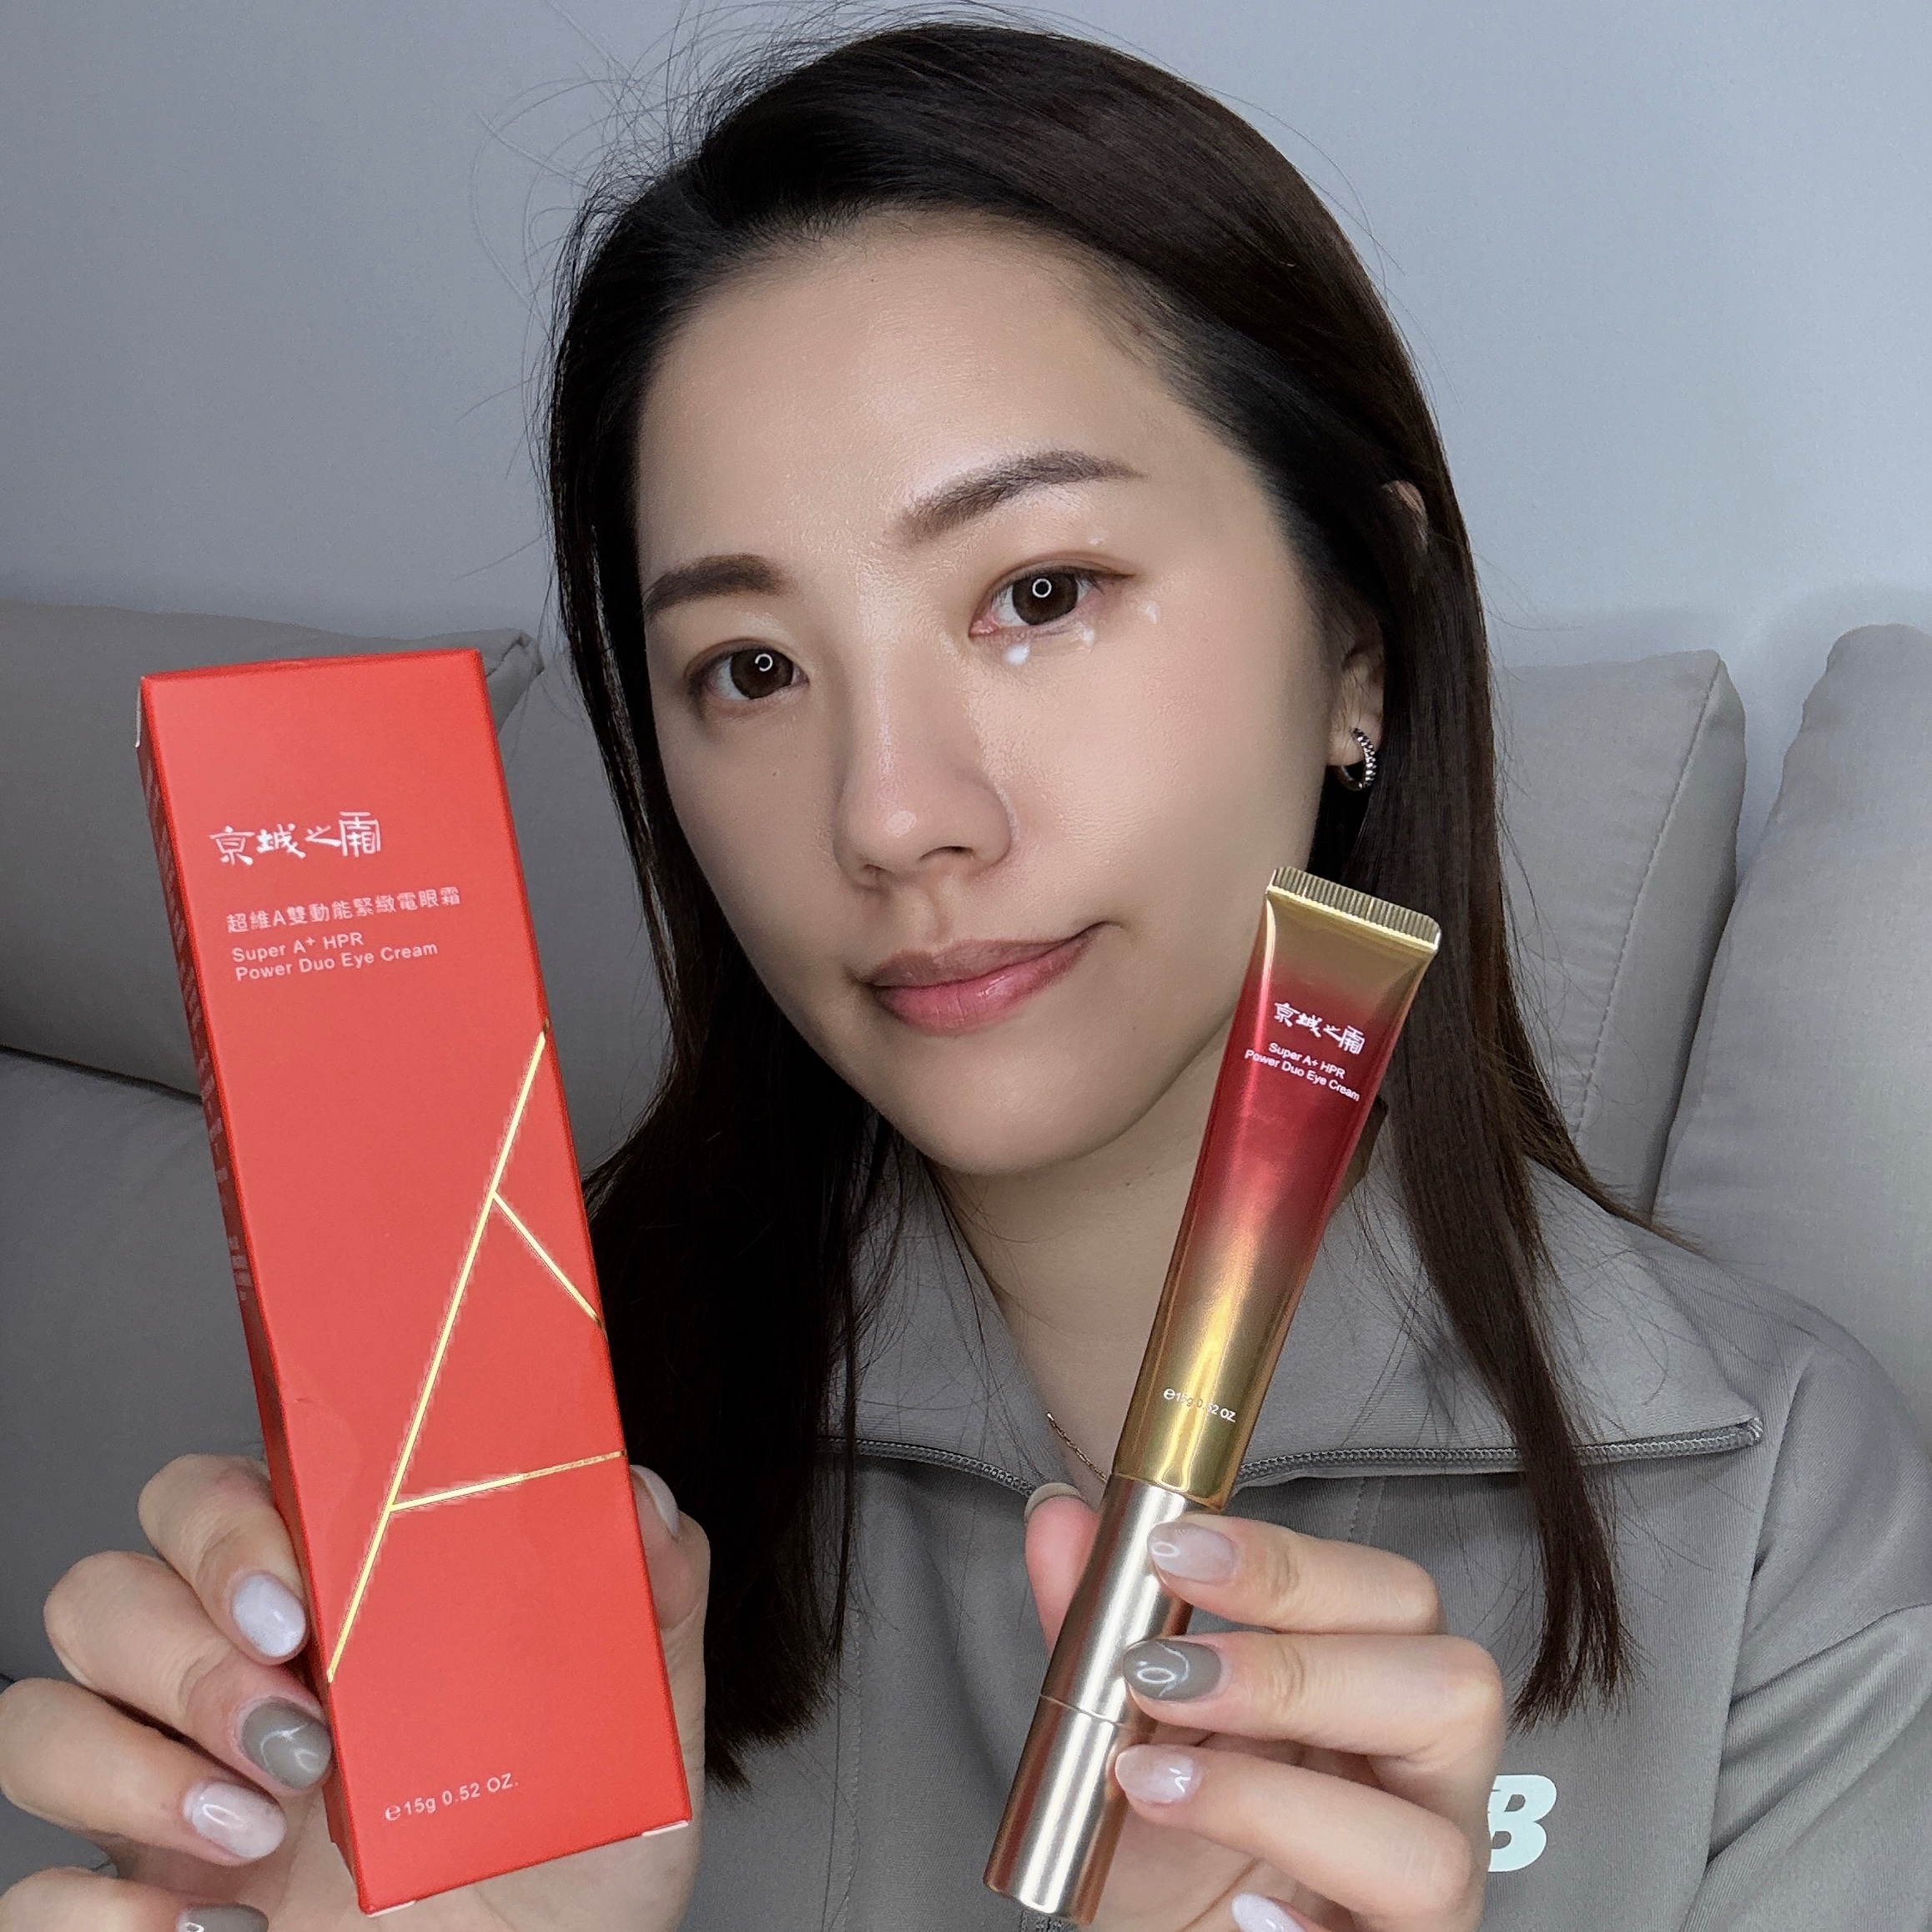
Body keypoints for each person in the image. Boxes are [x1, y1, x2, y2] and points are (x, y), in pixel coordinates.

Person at [3, 21, 1929, 1932]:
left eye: (1038, 594)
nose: (891, 815)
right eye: (752, 669)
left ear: (1359, 639)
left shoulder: (1768, 1514)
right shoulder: (493, 1439)